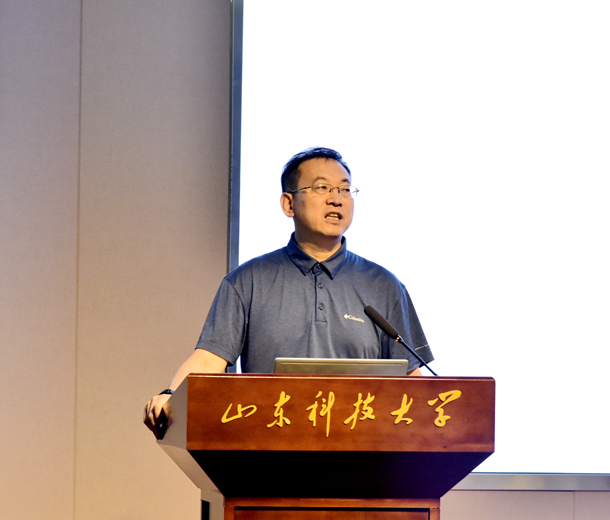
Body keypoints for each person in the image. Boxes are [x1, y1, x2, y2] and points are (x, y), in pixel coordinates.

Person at [143, 147, 432, 438]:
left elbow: (410, 377)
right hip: (268, 448)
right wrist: (171, 395)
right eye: (322, 187)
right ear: (288, 204)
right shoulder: (248, 280)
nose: (337, 198)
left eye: (345, 189)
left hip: (362, 451)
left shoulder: (384, 285)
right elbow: (208, 359)